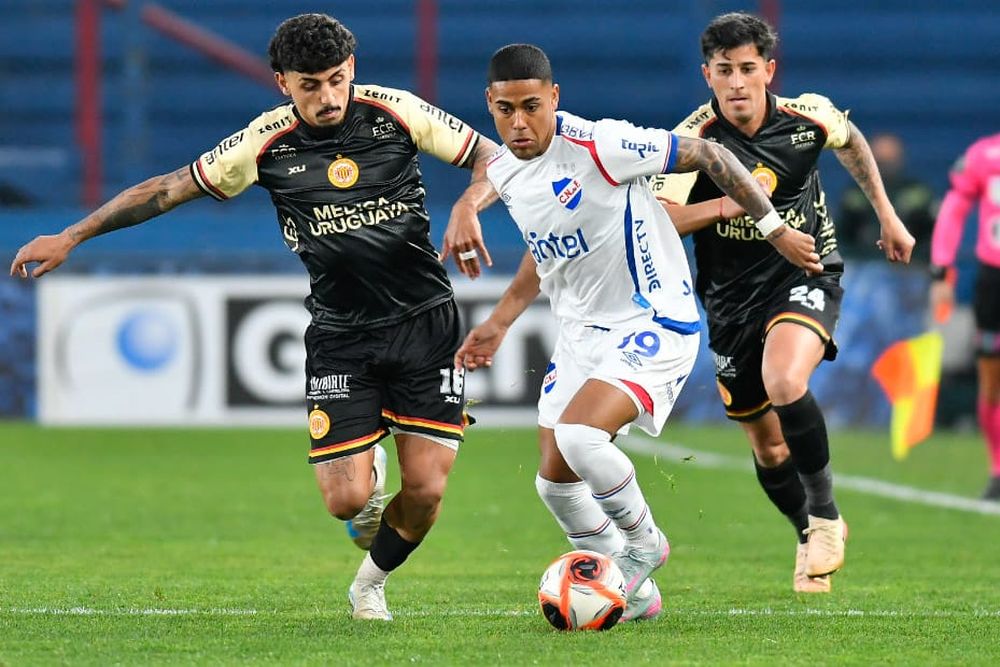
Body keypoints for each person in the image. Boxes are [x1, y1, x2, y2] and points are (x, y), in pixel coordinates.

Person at [9, 13, 500, 621]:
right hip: (341, 334)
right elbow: (166, 189)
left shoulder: (398, 112)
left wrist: (470, 205)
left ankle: (368, 586)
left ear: (353, 71)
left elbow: (491, 157)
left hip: (427, 324)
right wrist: (73, 234)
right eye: (310, 85)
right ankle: (366, 482)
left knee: (425, 492)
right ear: (282, 84)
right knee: (345, 503)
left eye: (336, 80)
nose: (327, 97)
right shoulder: (263, 143)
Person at [446, 43, 820, 620]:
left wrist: (772, 227)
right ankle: (637, 596)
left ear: (554, 98)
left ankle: (645, 545)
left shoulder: (602, 145)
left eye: (531, 106)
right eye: (504, 110)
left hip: (654, 321)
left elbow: (708, 153)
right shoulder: (504, 168)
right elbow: (541, 252)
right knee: (555, 484)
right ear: (489, 106)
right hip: (580, 335)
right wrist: (496, 321)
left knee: (580, 437)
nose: (519, 123)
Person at [648, 12, 915, 593]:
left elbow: (852, 141)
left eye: (748, 69)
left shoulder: (806, 116)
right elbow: (659, 219)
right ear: (708, 76)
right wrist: (728, 207)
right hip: (728, 300)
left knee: (785, 380)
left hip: (806, 273)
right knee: (768, 447)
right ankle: (808, 533)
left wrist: (887, 215)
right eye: (725, 71)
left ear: (768, 70)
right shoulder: (690, 142)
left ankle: (824, 515)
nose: (738, 82)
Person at [929, 132, 1000, 501]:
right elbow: (955, 209)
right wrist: (943, 270)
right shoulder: (985, 154)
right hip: (994, 280)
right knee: (991, 380)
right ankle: (998, 469)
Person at [838, 133, 936, 264]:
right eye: (879, 162)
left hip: (909, 266)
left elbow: (931, 234)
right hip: (862, 264)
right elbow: (842, 234)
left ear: (899, 160)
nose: (883, 168)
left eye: (889, 162)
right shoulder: (856, 193)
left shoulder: (917, 192)